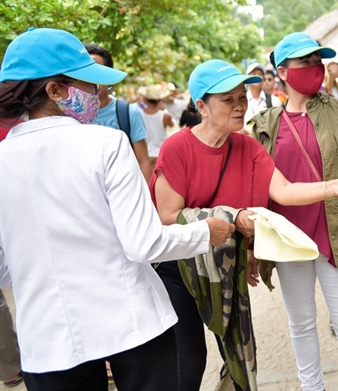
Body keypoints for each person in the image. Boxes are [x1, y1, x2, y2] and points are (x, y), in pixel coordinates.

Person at [0, 27, 235, 390]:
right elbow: (144, 244)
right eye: (90, 85)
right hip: (130, 325)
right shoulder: (105, 144)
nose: (98, 94)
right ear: (54, 90)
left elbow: (4, 270)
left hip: (48, 342)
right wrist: (207, 231)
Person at [151, 58, 338, 391]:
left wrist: (331, 187)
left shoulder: (247, 147)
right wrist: (229, 217)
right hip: (182, 268)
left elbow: (284, 190)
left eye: (241, 97)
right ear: (201, 106)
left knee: (240, 356)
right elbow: (168, 218)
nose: (239, 106)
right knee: (189, 361)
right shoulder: (177, 148)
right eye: (228, 100)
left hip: (225, 266)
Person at [249, 32, 338, 391]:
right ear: (282, 71)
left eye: (317, 61)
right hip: (289, 239)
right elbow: (256, 186)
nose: (314, 68)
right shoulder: (264, 123)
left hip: (336, 233)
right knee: (302, 324)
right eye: (304, 62)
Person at [86, 44, 153, 181]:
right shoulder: (67, 114)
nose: (90, 80)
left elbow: (143, 161)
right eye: (86, 73)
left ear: (107, 76)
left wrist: (148, 199)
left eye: (97, 72)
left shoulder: (128, 112)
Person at [143, 84, 175, 164]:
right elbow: (172, 125)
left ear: (145, 99)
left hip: (145, 154)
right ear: (160, 99)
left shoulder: (139, 115)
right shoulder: (165, 116)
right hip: (161, 154)